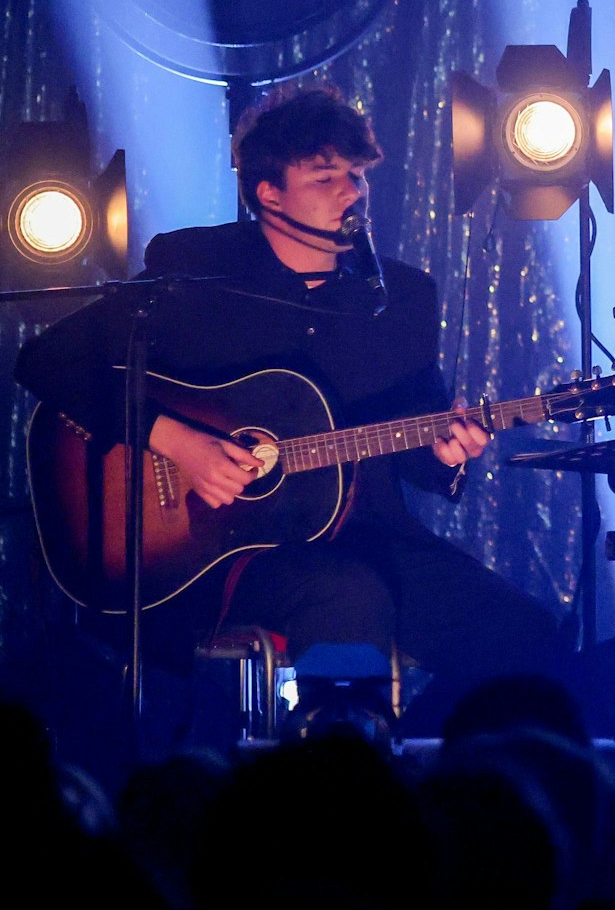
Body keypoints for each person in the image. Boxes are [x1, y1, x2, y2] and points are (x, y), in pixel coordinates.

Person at [15, 87, 565, 736]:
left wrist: (445, 451)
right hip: (215, 555)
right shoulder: (198, 270)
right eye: (326, 174)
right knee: (347, 596)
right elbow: (48, 360)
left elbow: (418, 432)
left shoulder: (404, 298)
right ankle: (339, 770)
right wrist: (175, 439)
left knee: (526, 636)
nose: (350, 191)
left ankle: (412, 770)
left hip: (366, 538)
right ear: (268, 193)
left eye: (356, 175)